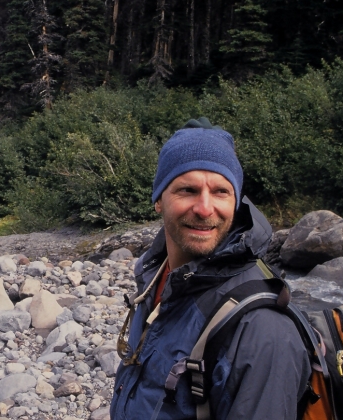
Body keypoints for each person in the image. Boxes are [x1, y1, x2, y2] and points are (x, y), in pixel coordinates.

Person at [110, 119, 311, 420]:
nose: (205, 208)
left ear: (236, 203)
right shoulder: (156, 275)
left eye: (220, 192)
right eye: (187, 189)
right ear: (158, 201)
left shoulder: (262, 331)